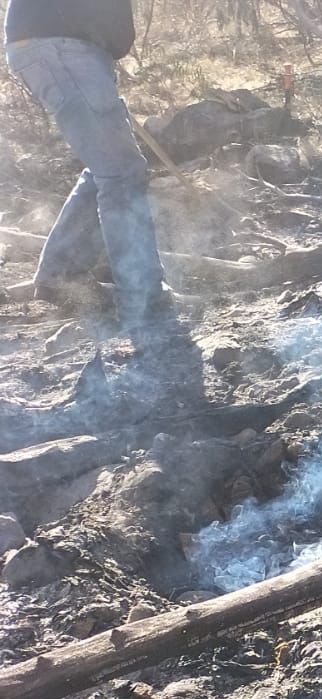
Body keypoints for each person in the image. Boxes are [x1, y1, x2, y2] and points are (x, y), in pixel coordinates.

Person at [5, 0, 199, 403]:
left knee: (108, 168)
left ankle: (62, 272)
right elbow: (118, 32)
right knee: (122, 173)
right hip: (62, 48)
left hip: (55, 46)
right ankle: (145, 302)